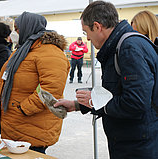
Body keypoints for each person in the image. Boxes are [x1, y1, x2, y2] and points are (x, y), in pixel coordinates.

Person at [55, 1, 158, 159]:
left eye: (86, 32)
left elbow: (136, 102)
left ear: (97, 26)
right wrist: (77, 105)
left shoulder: (128, 48)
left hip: (137, 145)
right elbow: (115, 94)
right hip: (129, 141)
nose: (87, 38)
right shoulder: (119, 46)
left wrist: (92, 100)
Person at [0, 12, 70, 154]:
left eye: (17, 29)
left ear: (29, 27)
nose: (14, 33)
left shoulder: (50, 52)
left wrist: (23, 109)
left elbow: (51, 89)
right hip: (15, 123)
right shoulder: (23, 50)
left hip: (33, 124)